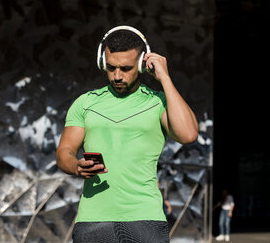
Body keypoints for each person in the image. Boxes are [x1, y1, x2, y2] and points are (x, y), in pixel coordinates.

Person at [56, 25, 198, 243]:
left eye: (126, 68)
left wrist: (165, 78)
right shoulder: (85, 103)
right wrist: (76, 166)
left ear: (142, 64)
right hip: (93, 221)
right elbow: (64, 152)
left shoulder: (158, 101)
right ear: (102, 62)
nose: (117, 76)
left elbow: (188, 134)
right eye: (111, 67)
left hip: (146, 218)